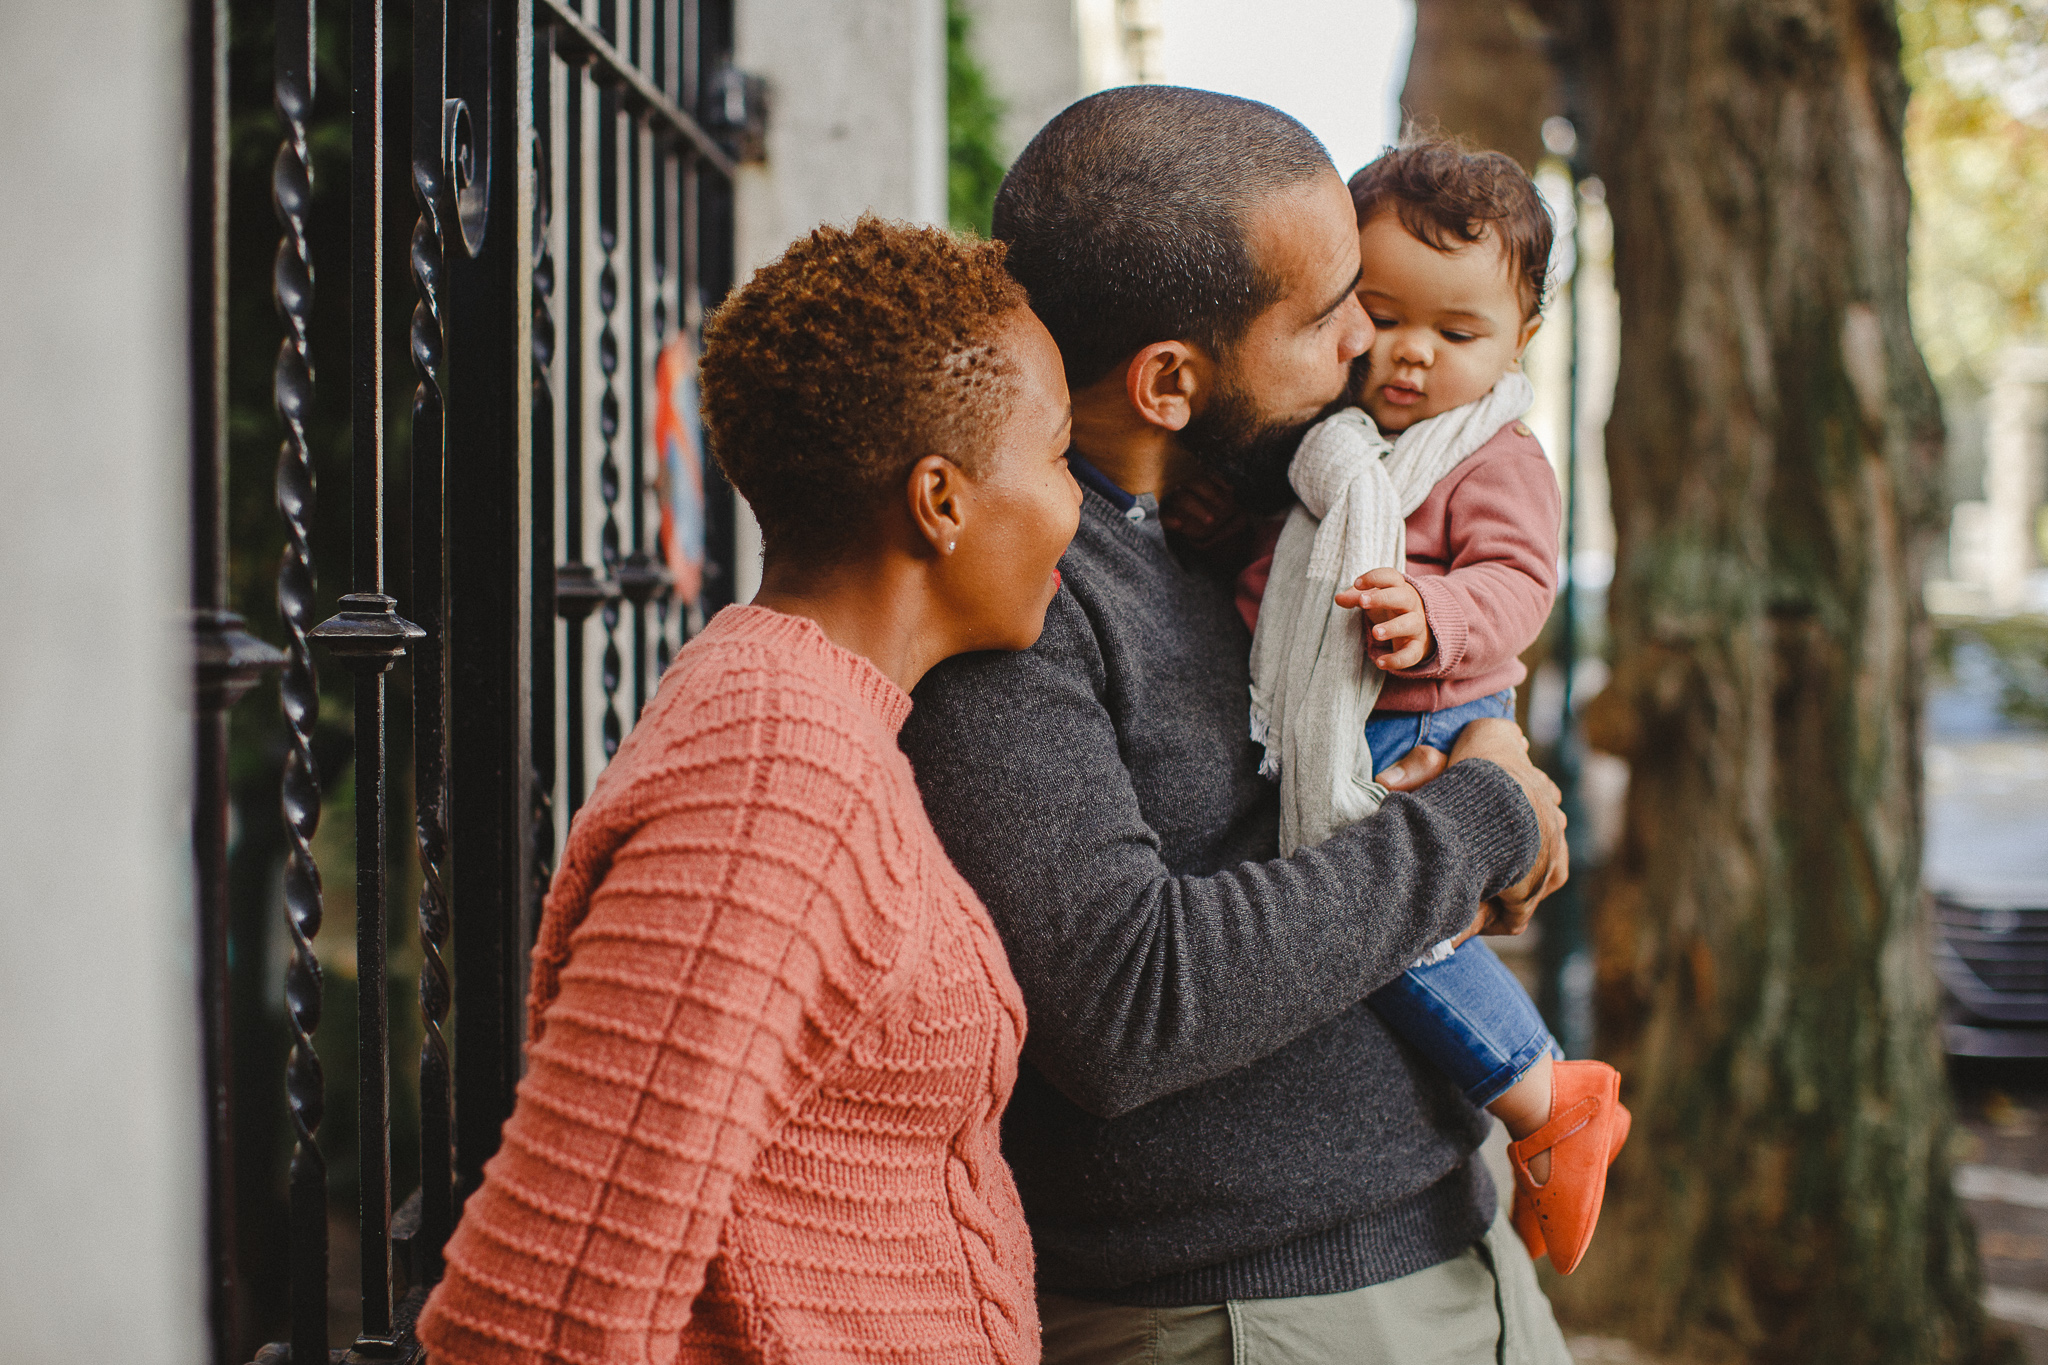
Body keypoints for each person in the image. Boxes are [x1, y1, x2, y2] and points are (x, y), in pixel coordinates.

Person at [899, 87, 1573, 1364]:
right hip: (1252, 1314)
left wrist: (1480, 761)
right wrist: (1475, 821)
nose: (1366, 355)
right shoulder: (1023, 602)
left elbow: (1323, 827)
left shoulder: (1261, 524)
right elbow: (1126, 1000)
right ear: (1169, 382)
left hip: (1449, 1240)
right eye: (1334, 316)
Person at [416, 216, 1080, 1365]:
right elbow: (534, 1317)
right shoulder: (776, 775)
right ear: (941, 500)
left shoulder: (824, 724)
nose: (1078, 507)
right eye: (1061, 456)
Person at [1239, 136, 1630, 1278]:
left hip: (1419, 717)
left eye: (1456, 335)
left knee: (1390, 929)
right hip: (1334, 718)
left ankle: (1543, 1092)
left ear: (1520, 342)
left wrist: (1435, 612)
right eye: (1381, 312)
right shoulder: (1330, 444)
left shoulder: (1491, 455)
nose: (1410, 355)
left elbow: (1519, 584)